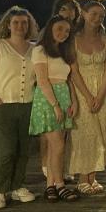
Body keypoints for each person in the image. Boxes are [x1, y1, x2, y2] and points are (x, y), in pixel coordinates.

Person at [0, 7, 38, 209]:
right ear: (8, 25)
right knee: (6, 151)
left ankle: (17, 186)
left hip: (28, 105)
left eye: (24, 22)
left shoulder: (35, 49)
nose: (20, 26)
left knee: (23, 150)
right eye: (16, 22)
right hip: (1, 106)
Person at [29, 15, 79, 202]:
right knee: (58, 145)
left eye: (67, 31)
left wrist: (73, 101)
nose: (63, 34)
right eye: (59, 29)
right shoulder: (40, 50)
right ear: (50, 28)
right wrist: (56, 106)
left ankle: (50, 186)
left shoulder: (65, 52)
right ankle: (60, 185)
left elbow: (69, 80)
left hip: (64, 96)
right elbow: (42, 80)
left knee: (54, 147)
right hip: (47, 98)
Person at [68, 0, 106, 194]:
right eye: (93, 14)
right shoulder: (74, 39)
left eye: (101, 16)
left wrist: (101, 95)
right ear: (84, 14)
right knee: (84, 134)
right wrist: (87, 96)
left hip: (102, 90)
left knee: (100, 133)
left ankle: (93, 177)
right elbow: (73, 70)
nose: (97, 19)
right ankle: (82, 178)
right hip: (81, 89)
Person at [40, 0, 81, 182]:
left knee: (66, 131)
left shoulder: (74, 34)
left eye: (72, 9)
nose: (68, 13)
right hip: (48, 90)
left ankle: (62, 169)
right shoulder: (48, 34)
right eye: (64, 9)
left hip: (69, 86)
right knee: (49, 133)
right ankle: (46, 167)